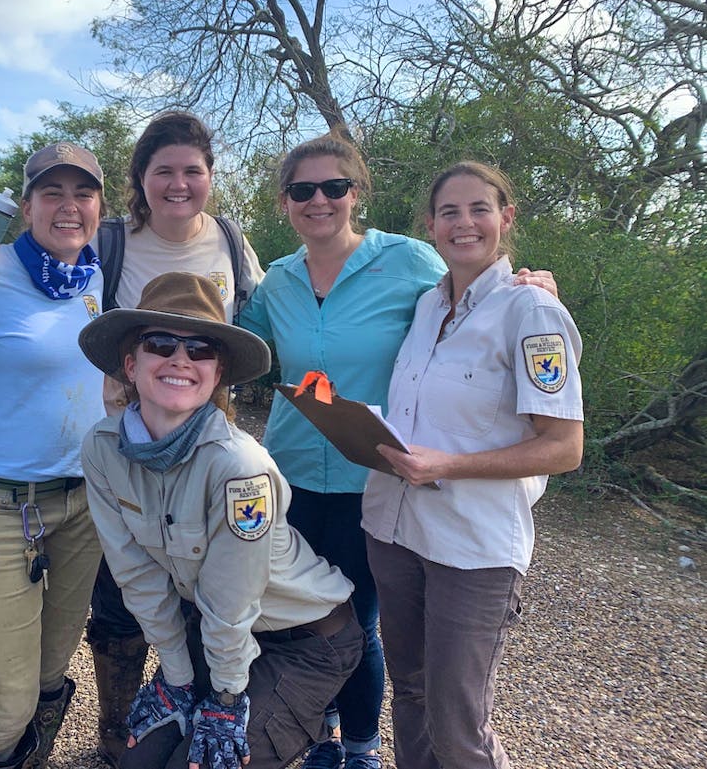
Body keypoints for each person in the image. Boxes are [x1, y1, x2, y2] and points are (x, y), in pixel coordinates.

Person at [238, 135, 559, 769]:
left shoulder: (408, 261)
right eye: (303, 190)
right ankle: (314, 736)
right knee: (300, 620)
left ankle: (361, 745)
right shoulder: (278, 281)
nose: (320, 200)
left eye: (335, 187)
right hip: (292, 476)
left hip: (377, 481)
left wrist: (533, 283)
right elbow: (238, 348)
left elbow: (477, 293)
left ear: (357, 194)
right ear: (285, 203)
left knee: (358, 623)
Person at [78, 272, 364, 769]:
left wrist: (226, 699)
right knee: (137, 764)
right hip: (216, 630)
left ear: (217, 374)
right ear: (130, 363)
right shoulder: (103, 450)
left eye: (201, 349)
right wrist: (178, 678)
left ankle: (308, 726)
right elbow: (137, 575)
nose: (180, 360)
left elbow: (233, 599)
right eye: (160, 343)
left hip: (303, 640)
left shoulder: (239, 468)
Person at [362, 162, 584, 769]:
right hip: (394, 531)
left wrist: (450, 465)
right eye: (449, 212)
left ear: (506, 218)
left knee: (460, 726)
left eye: (479, 209)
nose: (464, 224)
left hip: (473, 549)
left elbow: (564, 446)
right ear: (430, 226)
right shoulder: (427, 308)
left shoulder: (532, 314)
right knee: (408, 694)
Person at [87, 111, 265, 768]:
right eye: (164, 170)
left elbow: (275, 313)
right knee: (121, 588)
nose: (179, 183)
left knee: (204, 581)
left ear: (211, 177)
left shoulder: (230, 242)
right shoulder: (111, 242)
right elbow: (39, 270)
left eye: (193, 170)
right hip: (128, 449)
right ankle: (118, 723)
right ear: (141, 177)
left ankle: (203, 697)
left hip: (207, 449)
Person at [0, 142, 107, 769]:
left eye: (83, 193)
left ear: (99, 206)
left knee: (48, 676)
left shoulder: (95, 276)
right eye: (52, 193)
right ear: (26, 205)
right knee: (9, 698)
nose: (68, 207)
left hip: (81, 504)